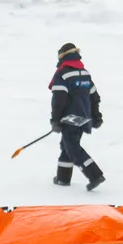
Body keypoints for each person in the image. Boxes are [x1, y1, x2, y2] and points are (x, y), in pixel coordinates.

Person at [49, 43, 105, 190]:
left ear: (62, 56)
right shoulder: (85, 73)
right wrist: (96, 116)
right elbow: (94, 97)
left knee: (72, 146)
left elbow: (59, 100)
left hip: (70, 117)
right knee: (67, 145)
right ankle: (63, 178)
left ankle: (95, 175)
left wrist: (55, 119)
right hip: (84, 116)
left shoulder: (62, 74)